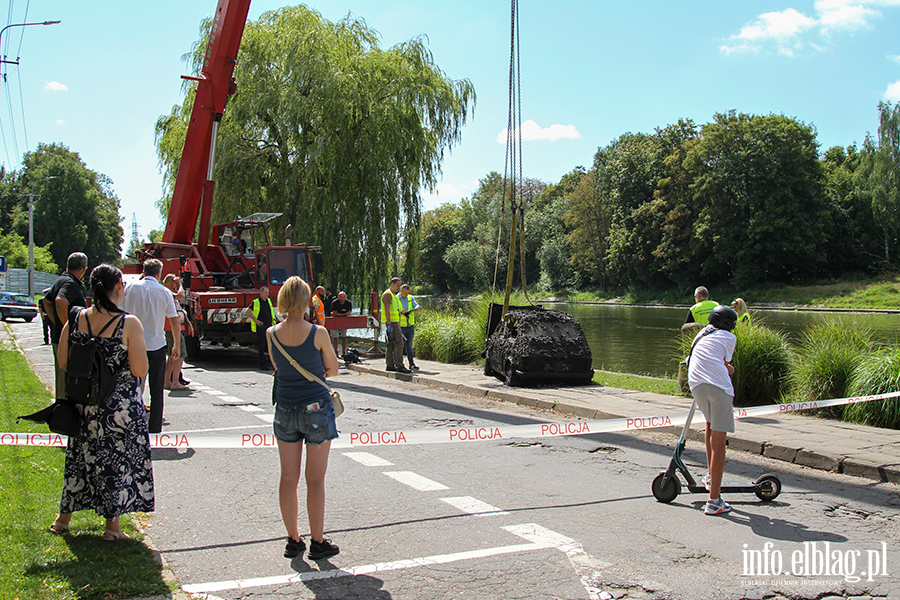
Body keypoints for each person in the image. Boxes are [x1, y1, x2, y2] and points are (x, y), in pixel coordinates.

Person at [49, 264, 153, 541]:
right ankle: (112, 528)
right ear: (119, 286)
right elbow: (140, 369)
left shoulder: (77, 318)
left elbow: (62, 361)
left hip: (85, 405)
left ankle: (63, 519)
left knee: (79, 460)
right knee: (115, 463)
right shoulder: (128, 323)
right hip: (117, 408)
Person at [266, 276, 340, 560]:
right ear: (308, 300)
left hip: (284, 408)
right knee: (315, 479)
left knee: (288, 477)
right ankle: (318, 542)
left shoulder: (272, 333)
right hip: (316, 409)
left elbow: (277, 366)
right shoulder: (318, 332)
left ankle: (293, 539)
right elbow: (331, 369)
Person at [686, 304, 738, 516]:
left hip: (696, 384)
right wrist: (728, 368)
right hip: (719, 388)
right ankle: (714, 501)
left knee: (709, 425)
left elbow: (704, 357)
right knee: (719, 443)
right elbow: (725, 360)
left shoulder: (701, 333)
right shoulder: (729, 337)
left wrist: (725, 367)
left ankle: (709, 476)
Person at [122, 259, 181, 434]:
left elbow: (120, 314)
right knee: (156, 388)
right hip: (156, 344)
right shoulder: (164, 292)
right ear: (159, 273)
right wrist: (176, 344)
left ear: (143, 271)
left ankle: (131, 422)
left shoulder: (130, 289)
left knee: (132, 385)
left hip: (133, 344)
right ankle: (155, 427)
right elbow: (174, 321)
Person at [46, 252, 88, 397]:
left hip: (59, 337)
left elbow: (46, 301)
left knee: (63, 377)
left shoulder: (61, 280)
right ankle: (62, 414)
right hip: (66, 340)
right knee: (66, 380)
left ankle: (62, 410)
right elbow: (59, 300)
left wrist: (56, 320)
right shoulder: (69, 283)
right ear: (84, 268)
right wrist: (68, 327)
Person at [162, 275, 188, 390]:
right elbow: (181, 295)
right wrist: (181, 284)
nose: (176, 286)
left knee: (172, 357)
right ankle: (175, 381)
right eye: (174, 283)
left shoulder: (167, 293)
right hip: (172, 327)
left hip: (171, 327)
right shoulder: (167, 292)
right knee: (180, 355)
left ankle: (167, 381)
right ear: (168, 282)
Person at [381, 277, 409, 373]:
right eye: (397, 285)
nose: (398, 287)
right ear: (392, 284)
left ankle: (390, 365)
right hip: (392, 323)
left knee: (391, 344)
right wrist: (389, 324)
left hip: (393, 322)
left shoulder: (392, 295)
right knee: (399, 343)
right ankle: (400, 365)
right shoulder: (388, 294)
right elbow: (387, 310)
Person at [250, 286, 277, 370]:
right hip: (262, 327)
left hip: (269, 326)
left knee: (270, 345)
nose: (267, 294)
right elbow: (248, 311)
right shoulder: (256, 302)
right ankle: (262, 364)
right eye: (265, 293)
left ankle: (271, 362)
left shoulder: (268, 301)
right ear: (261, 293)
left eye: (268, 293)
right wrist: (256, 320)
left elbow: (271, 312)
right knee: (262, 345)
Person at [398, 284, 421, 371]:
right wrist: (401, 311)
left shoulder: (410, 298)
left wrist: (417, 307)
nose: (406, 295)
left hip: (410, 325)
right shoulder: (396, 298)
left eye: (407, 293)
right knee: (399, 345)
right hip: (401, 326)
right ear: (401, 291)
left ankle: (411, 363)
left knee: (409, 346)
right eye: (405, 293)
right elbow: (394, 310)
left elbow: (416, 305)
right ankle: (398, 363)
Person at [329, 290, 352, 356]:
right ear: (338, 297)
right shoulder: (334, 303)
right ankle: (336, 351)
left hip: (344, 321)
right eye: (341, 297)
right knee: (335, 336)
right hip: (335, 320)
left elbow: (349, 312)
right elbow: (334, 313)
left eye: (344, 297)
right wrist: (344, 314)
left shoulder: (348, 303)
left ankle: (343, 352)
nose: (343, 298)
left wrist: (338, 314)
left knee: (344, 336)